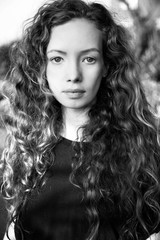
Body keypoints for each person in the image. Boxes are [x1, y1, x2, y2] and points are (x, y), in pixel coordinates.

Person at [1, 0, 160, 239]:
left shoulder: (140, 149)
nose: (73, 75)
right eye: (57, 59)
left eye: (89, 59)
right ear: (41, 65)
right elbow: (14, 229)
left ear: (106, 65)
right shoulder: (25, 146)